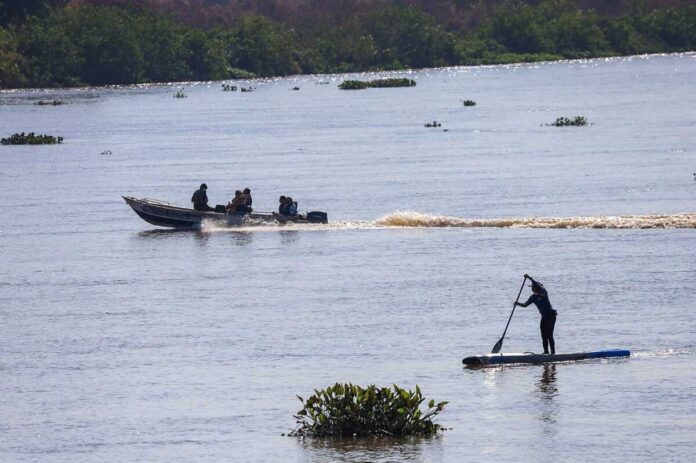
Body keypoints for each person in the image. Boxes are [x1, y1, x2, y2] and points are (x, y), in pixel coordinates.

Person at [514, 274, 558, 354]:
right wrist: (517, 303)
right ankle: (546, 352)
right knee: (543, 335)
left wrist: (530, 278)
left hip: (551, 316)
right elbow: (525, 305)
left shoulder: (544, 293)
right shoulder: (532, 297)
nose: (532, 289)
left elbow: (540, 287)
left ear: (537, 287)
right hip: (544, 317)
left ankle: (553, 354)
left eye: (533, 287)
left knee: (549, 335)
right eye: (531, 287)